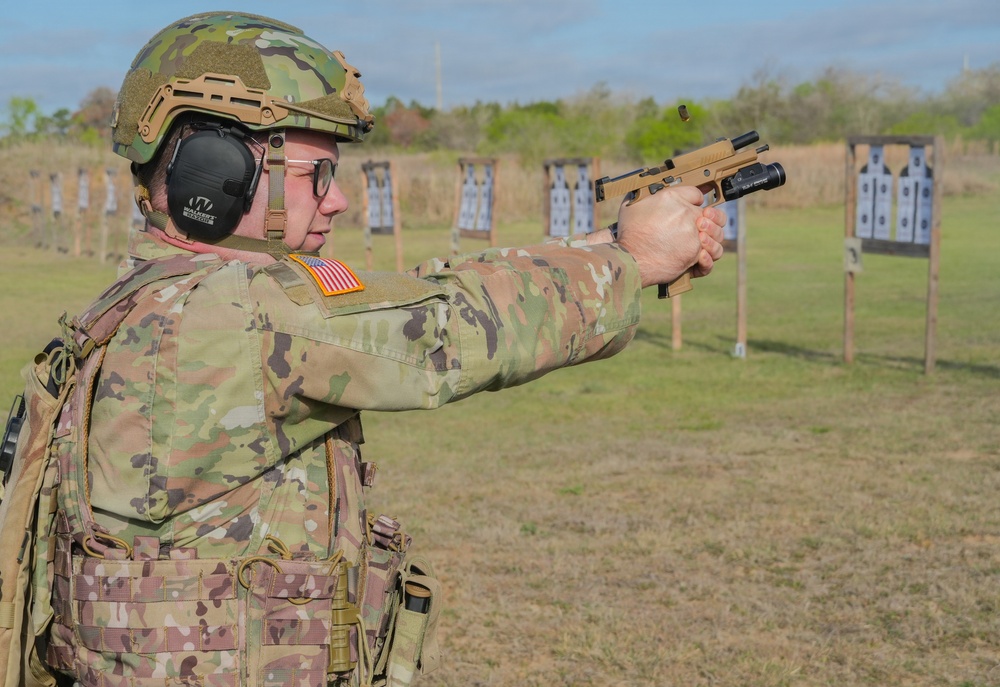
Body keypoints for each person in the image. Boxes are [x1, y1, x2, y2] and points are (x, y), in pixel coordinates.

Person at [33, 11, 725, 687]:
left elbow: (417, 293)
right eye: (316, 174)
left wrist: (608, 245)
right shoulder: (232, 321)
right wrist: (632, 259)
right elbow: (450, 327)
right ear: (219, 172)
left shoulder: (159, 303)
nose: (335, 202)